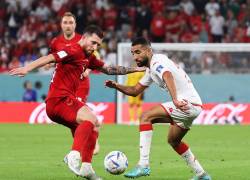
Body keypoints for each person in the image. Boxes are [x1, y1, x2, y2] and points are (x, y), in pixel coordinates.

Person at [10, 25, 145, 180]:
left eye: (98, 45)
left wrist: (135, 69)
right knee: (91, 119)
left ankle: (87, 168)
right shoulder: (72, 50)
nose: (94, 47)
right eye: (93, 42)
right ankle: (73, 155)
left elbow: (109, 69)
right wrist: (27, 68)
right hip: (58, 100)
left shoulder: (89, 57)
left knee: (94, 125)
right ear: (84, 37)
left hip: (65, 101)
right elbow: (49, 58)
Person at [105, 37, 211, 180]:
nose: (135, 56)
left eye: (138, 52)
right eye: (133, 53)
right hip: (193, 106)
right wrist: (117, 86)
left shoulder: (156, 62)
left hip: (186, 103)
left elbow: (167, 75)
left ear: (148, 50)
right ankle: (201, 174)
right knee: (174, 141)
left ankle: (143, 165)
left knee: (145, 117)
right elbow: (135, 90)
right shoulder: (151, 69)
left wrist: (175, 99)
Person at [49, 12, 100, 155]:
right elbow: (55, 59)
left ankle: (82, 147)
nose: (68, 25)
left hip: (81, 84)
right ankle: (82, 146)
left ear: (75, 25)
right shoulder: (55, 42)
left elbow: (95, 59)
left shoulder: (82, 40)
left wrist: (88, 70)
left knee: (79, 113)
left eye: (71, 22)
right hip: (65, 85)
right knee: (75, 117)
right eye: (65, 22)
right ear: (61, 25)